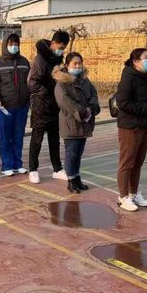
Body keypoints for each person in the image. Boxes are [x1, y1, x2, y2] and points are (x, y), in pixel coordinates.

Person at [115, 48, 147, 212]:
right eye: (146, 57)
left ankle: (133, 193)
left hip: (145, 124)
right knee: (127, 162)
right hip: (130, 126)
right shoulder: (128, 77)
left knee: (138, 162)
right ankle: (123, 196)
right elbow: (123, 102)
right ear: (136, 61)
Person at [27, 30, 70, 184]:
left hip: (54, 105)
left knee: (54, 138)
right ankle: (33, 169)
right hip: (41, 104)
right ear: (53, 43)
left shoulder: (57, 59)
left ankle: (57, 169)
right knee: (37, 139)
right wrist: (47, 92)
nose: (61, 51)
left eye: (63, 48)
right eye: (60, 47)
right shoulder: (40, 59)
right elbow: (32, 83)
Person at [54, 52, 100, 194]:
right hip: (70, 123)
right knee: (71, 153)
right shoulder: (62, 82)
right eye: (75, 63)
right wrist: (82, 111)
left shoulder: (85, 81)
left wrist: (91, 108)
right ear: (67, 65)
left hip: (84, 122)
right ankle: (71, 180)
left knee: (78, 153)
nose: (78, 66)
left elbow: (93, 94)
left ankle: (77, 177)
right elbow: (64, 101)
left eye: (80, 63)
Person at [0, 33, 31, 176]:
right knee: (5, 137)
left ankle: (18, 164)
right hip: (5, 107)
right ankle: (7, 165)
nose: (14, 46)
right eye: (11, 44)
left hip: (22, 107)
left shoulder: (24, 62)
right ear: (5, 45)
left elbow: (30, 82)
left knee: (18, 136)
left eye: (16, 44)